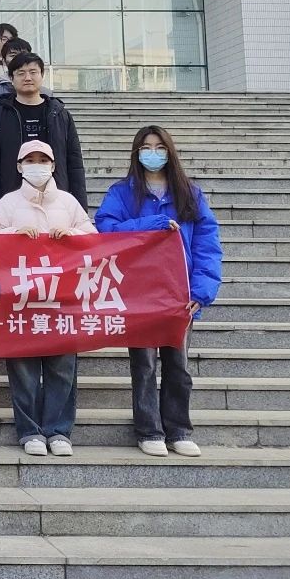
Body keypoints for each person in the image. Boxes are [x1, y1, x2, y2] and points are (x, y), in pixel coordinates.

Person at [95, 126, 223, 458]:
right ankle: (149, 430)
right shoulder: (122, 193)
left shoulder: (189, 193)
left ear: (169, 151)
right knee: (144, 364)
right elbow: (105, 229)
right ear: (136, 153)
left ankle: (178, 429)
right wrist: (148, 225)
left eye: (159, 147)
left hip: (180, 293)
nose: (153, 153)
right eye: (146, 147)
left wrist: (202, 291)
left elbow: (207, 245)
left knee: (178, 364)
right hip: (139, 294)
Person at [0, 140, 96, 457]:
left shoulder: (69, 202)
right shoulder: (8, 203)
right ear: (19, 167)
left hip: (63, 298)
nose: (37, 166)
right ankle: (29, 430)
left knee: (62, 367)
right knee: (23, 368)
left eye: (42, 160)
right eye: (29, 160)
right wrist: (13, 234)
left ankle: (58, 431)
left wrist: (70, 235)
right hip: (21, 298)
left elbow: (93, 239)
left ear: (53, 166)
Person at [0, 52, 87, 210]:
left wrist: (80, 205)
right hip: (10, 199)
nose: (27, 78)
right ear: (11, 78)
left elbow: (75, 162)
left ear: (42, 75)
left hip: (56, 198)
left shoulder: (60, 115)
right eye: (21, 73)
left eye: (33, 72)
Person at [0, 37, 52, 109]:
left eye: (23, 54)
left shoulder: (46, 94)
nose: (19, 58)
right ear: (4, 61)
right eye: (13, 55)